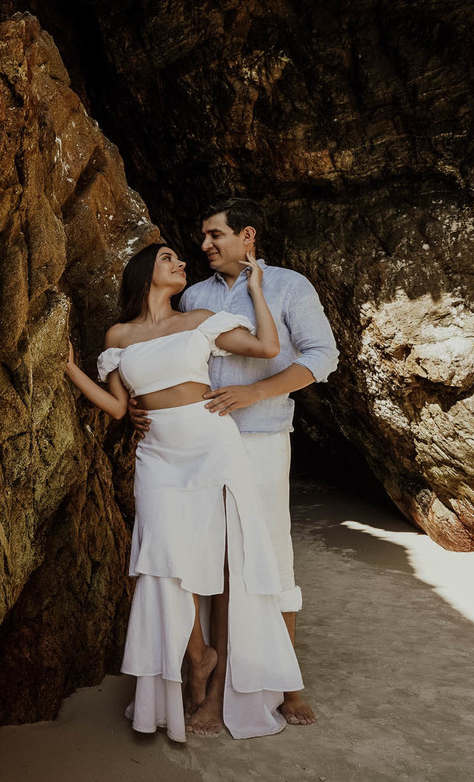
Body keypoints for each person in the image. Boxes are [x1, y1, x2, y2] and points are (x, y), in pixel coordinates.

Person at [65, 242, 303, 741]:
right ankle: (197, 655)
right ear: (145, 272)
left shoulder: (201, 318)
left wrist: (256, 290)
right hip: (158, 454)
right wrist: (69, 368)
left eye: (180, 260)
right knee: (164, 556)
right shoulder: (118, 336)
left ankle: (225, 670)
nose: (181, 264)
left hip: (212, 444)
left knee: (220, 555)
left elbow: (266, 348)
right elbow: (114, 406)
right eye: (169, 258)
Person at [130, 198, 339, 727]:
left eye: (214, 235)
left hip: (262, 437)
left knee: (268, 556)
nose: (204, 246)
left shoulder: (290, 286)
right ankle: (218, 678)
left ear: (246, 236)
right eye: (201, 237)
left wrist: (257, 393)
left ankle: (287, 685)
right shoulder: (195, 296)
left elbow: (321, 356)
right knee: (217, 562)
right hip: (201, 446)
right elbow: (160, 360)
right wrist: (138, 407)